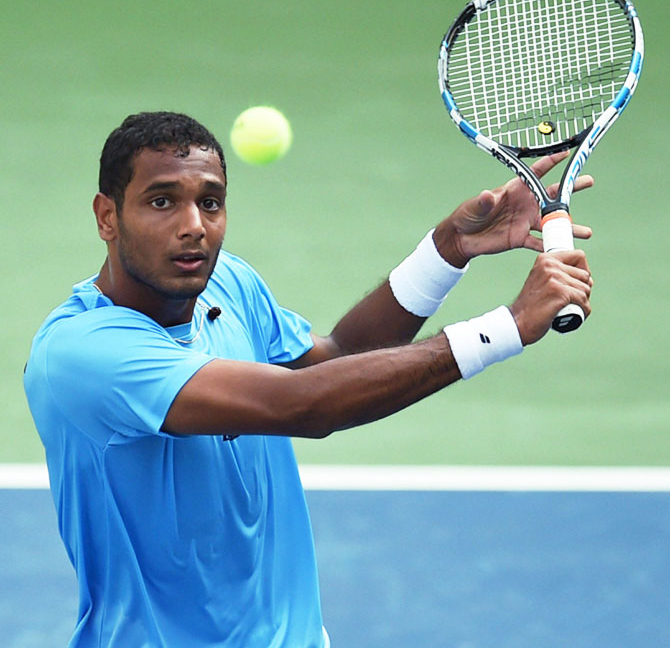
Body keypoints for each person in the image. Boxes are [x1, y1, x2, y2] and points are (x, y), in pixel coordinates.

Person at [24, 111, 593, 647]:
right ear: (107, 216)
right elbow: (303, 405)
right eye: (162, 201)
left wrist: (448, 250)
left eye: (211, 202)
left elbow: (337, 357)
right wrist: (508, 326)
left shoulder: (227, 285)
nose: (194, 226)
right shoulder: (84, 354)